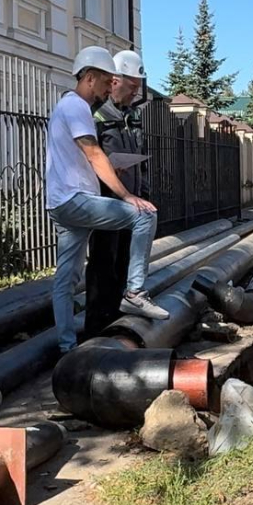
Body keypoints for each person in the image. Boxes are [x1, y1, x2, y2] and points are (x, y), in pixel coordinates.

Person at [46, 46, 168, 355]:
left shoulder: (67, 107)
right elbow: (93, 151)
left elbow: (80, 159)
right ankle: (135, 292)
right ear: (89, 78)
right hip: (76, 201)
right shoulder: (77, 107)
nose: (105, 89)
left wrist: (114, 169)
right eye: (104, 82)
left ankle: (67, 347)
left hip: (61, 203)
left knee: (66, 279)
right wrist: (127, 196)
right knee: (143, 215)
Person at [82, 49, 152, 342]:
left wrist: (144, 189)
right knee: (103, 264)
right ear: (115, 81)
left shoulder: (132, 116)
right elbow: (88, 156)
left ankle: (117, 321)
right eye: (131, 87)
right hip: (106, 201)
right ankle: (96, 328)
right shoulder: (97, 115)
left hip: (130, 201)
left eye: (138, 88)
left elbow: (140, 156)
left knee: (124, 260)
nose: (135, 93)